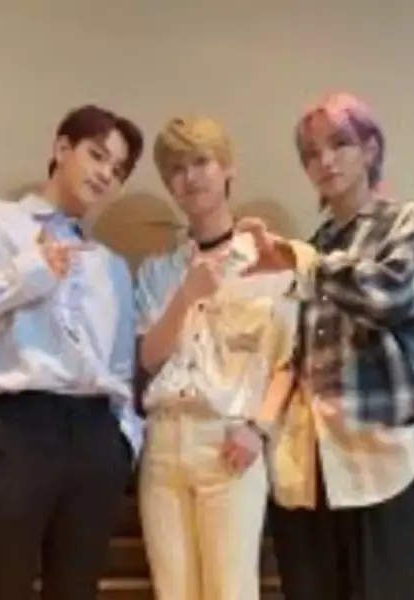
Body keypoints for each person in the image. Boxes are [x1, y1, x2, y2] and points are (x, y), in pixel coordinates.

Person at [0, 105, 144, 600]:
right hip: (22, 425)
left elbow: (121, 368)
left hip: (97, 438)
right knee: (0, 584)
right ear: (61, 148)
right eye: (97, 154)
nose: (105, 174)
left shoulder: (111, 267)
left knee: (77, 589)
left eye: (118, 169)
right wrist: (25, 274)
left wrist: (124, 441)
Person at [239, 92, 414, 600]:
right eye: (311, 154)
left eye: (340, 144)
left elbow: (388, 295)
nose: (325, 161)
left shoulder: (407, 224)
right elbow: (296, 356)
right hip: (311, 467)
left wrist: (304, 264)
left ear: (370, 149)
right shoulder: (316, 245)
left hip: (385, 460)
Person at [135, 115, 298, 600]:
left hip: (227, 439)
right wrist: (185, 296)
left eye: (201, 161)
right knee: (172, 591)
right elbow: (148, 358)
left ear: (228, 168)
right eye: (176, 169)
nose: (190, 177)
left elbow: (289, 360)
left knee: (232, 591)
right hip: (163, 441)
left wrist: (258, 428)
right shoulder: (158, 271)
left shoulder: (268, 259)